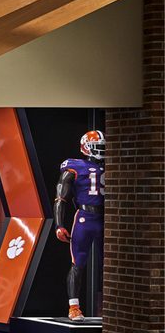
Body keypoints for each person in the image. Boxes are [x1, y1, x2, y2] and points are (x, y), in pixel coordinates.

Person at [54, 129, 106, 320]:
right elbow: (61, 198)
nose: (101, 151)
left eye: (102, 147)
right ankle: (73, 307)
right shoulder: (75, 166)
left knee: (109, 266)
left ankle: (108, 305)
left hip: (107, 219)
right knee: (78, 263)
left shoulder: (113, 166)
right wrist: (59, 224)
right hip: (85, 217)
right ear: (86, 147)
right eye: (97, 147)